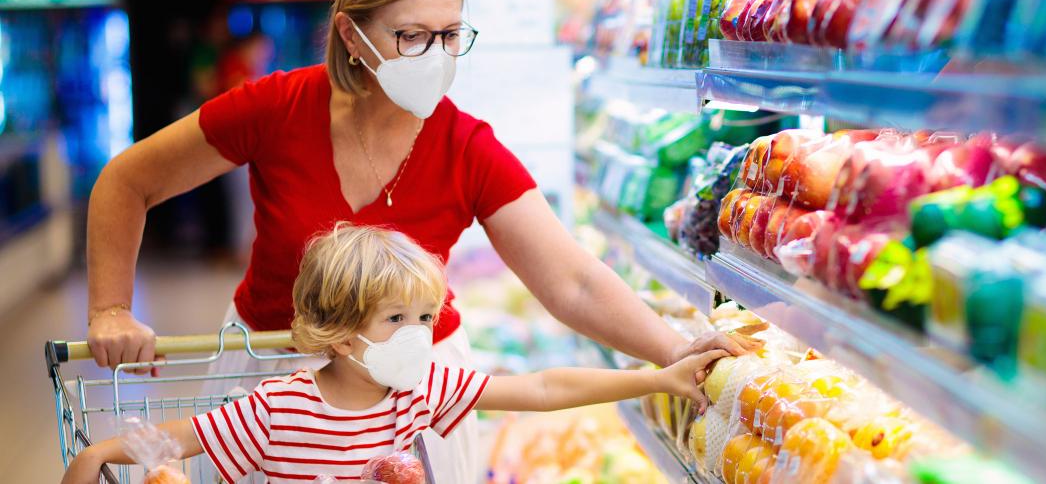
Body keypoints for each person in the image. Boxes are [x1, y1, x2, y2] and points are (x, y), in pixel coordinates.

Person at [84, 0, 747, 480]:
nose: (436, 55)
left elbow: (571, 280)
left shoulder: (466, 147)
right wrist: (111, 308)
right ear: (351, 33)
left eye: (451, 34)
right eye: (410, 36)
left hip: (411, 388)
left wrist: (676, 350)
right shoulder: (277, 108)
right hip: (269, 379)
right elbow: (127, 181)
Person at [63, 224, 727, 483]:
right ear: (344, 334)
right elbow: (172, 442)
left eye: (426, 316)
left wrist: (655, 378)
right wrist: (96, 454)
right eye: (398, 319)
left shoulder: (421, 387)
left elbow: (542, 388)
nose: (421, 333)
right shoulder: (280, 407)